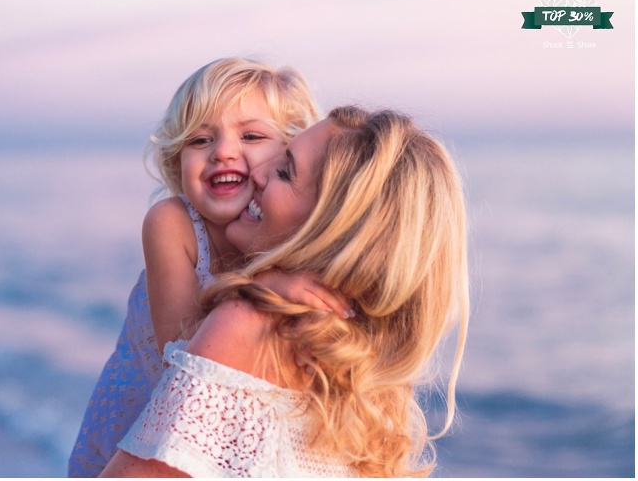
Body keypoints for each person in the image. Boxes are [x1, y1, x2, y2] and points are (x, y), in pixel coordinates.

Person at [103, 106, 470, 477]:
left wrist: (252, 293)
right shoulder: (379, 378)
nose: (256, 173)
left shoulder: (247, 326)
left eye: (284, 171)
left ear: (332, 223)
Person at [68, 58, 349, 477]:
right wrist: (267, 285)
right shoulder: (172, 223)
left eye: (251, 136)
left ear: (285, 156)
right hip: (146, 428)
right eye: (199, 140)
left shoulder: (292, 238)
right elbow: (181, 360)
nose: (222, 152)